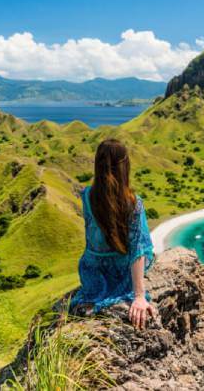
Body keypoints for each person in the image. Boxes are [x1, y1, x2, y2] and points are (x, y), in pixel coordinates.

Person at [71, 139, 155, 329]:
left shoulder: (86, 196)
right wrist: (139, 296)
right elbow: (138, 249)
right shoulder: (133, 203)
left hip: (91, 271)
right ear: (125, 166)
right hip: (120, 271)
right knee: (147, 248)